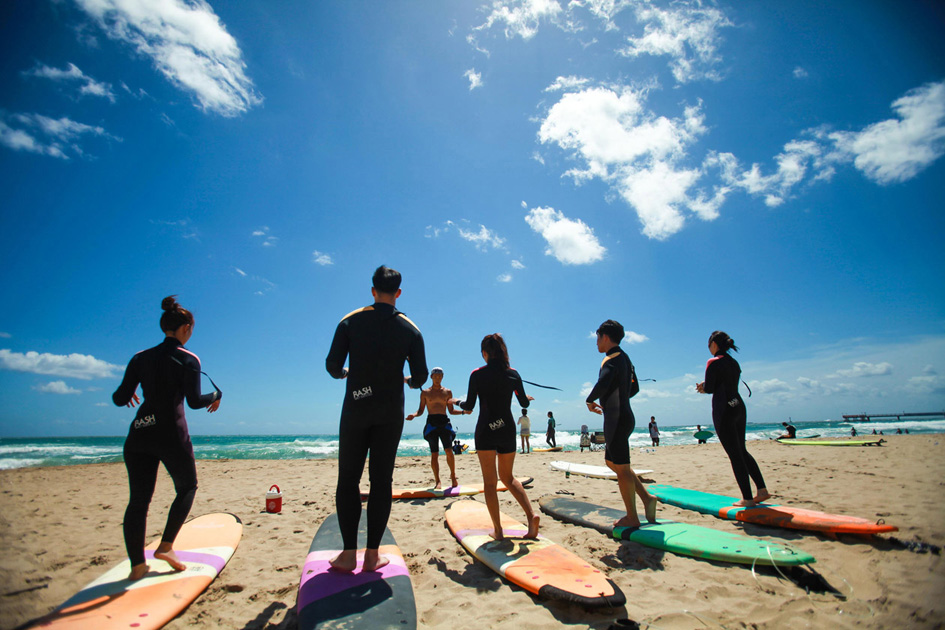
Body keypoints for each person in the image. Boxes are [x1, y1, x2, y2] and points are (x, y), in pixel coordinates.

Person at [325, 265, 428, 572]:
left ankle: (347, 554)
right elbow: (421, 376)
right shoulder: (411, 329)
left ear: (372, 290)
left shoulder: (350, 321)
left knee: (348, 479)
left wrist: (346, 373)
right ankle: (372, 555)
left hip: (356, 407)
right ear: (398, 293)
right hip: (389, 412)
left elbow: (332, 366)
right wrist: (407, 381)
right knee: (381, 480)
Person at [112, 296, 222, 581]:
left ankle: (138, 566)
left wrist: (132, 392)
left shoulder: (139, 358)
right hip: (170, 433)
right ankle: (166, 546)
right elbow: (196, 401)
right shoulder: (188, 358)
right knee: (187, 487)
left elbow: (119, 398)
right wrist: (217, 394)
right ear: (186, 327)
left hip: (139, 432)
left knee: (138, 501)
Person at [453, 334, 538, 540]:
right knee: (508, 478)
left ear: (484, 353)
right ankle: (531, 515)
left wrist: (456, 402)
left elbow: (470, 406)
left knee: (490, 483)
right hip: (506, 428)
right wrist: (524, 397)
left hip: (486, 429)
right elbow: (524, 404)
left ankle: (498, 531)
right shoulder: (513, 373)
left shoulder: (477, 374)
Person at [586, 319, 657, 527]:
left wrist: (590, 400)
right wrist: (619, 400)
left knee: (622, 468)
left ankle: (632, 517)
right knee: (612, 463)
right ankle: (647, 498)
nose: (596, 343)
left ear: (605, 337)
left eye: (597, 338)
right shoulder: (626, 359)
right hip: (623, 416)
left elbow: (604, 381)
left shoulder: (611, 358)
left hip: (616, 419)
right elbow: (634, 389)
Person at [696, 331, 769, 507]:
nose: (708, 347)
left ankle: (747, 498)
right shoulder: (733, 362)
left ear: (714, 344)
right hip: (738, 406)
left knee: (734, 455)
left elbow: (712, 387)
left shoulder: (713, 361)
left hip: (724, 408)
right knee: (742, 450)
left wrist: (702, 387)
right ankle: (762, 490)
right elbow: (727, 383)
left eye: (708, 343)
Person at [406, 367, 464, 489]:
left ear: (442, 377)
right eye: (435, 376)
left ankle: (453, 476)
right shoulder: (425, 393)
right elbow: (421, 410)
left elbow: (451, 411)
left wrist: (463, 412)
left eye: (440, 376)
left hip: (444, 423)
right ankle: (438, 481)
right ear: (431, 377)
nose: (437, 378)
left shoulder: (447, 392)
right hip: (432, 424)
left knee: (449, 451)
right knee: (434, 454)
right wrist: (414, 415)